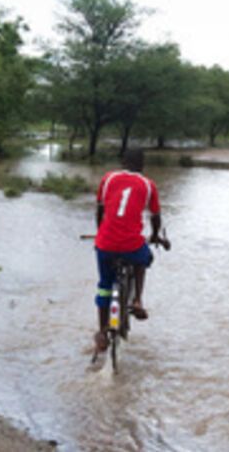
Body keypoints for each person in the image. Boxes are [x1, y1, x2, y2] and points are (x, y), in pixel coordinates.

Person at [92, 147, 165, 353]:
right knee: (143, 259)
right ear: (142, 164)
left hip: (105, 243)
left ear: (122, 162)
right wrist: (156, 235)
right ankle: (137, 300)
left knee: (104, 285)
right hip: (132, 245)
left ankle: (102, 331)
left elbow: (100, 210)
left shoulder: (108, 178)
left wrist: (100, 235)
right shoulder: (148, 185)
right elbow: (155, 217)